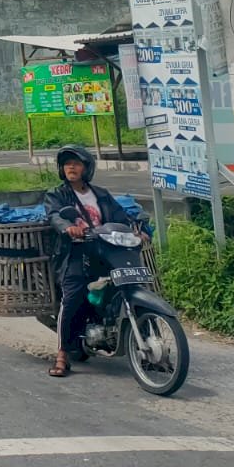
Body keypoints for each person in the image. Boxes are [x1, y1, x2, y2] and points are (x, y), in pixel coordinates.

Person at [44, 144, 140, 378]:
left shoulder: (102, 194)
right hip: (74, 254)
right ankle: (62, 355)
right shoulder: (57, 195)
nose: (71, 167)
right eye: (67, 163)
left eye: (76, 163)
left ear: (87, 168)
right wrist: (69, 228)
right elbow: (55, 215)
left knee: (129, 283)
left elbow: (122, 216)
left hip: (105, 250)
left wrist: (139, 229)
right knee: (73, 295)